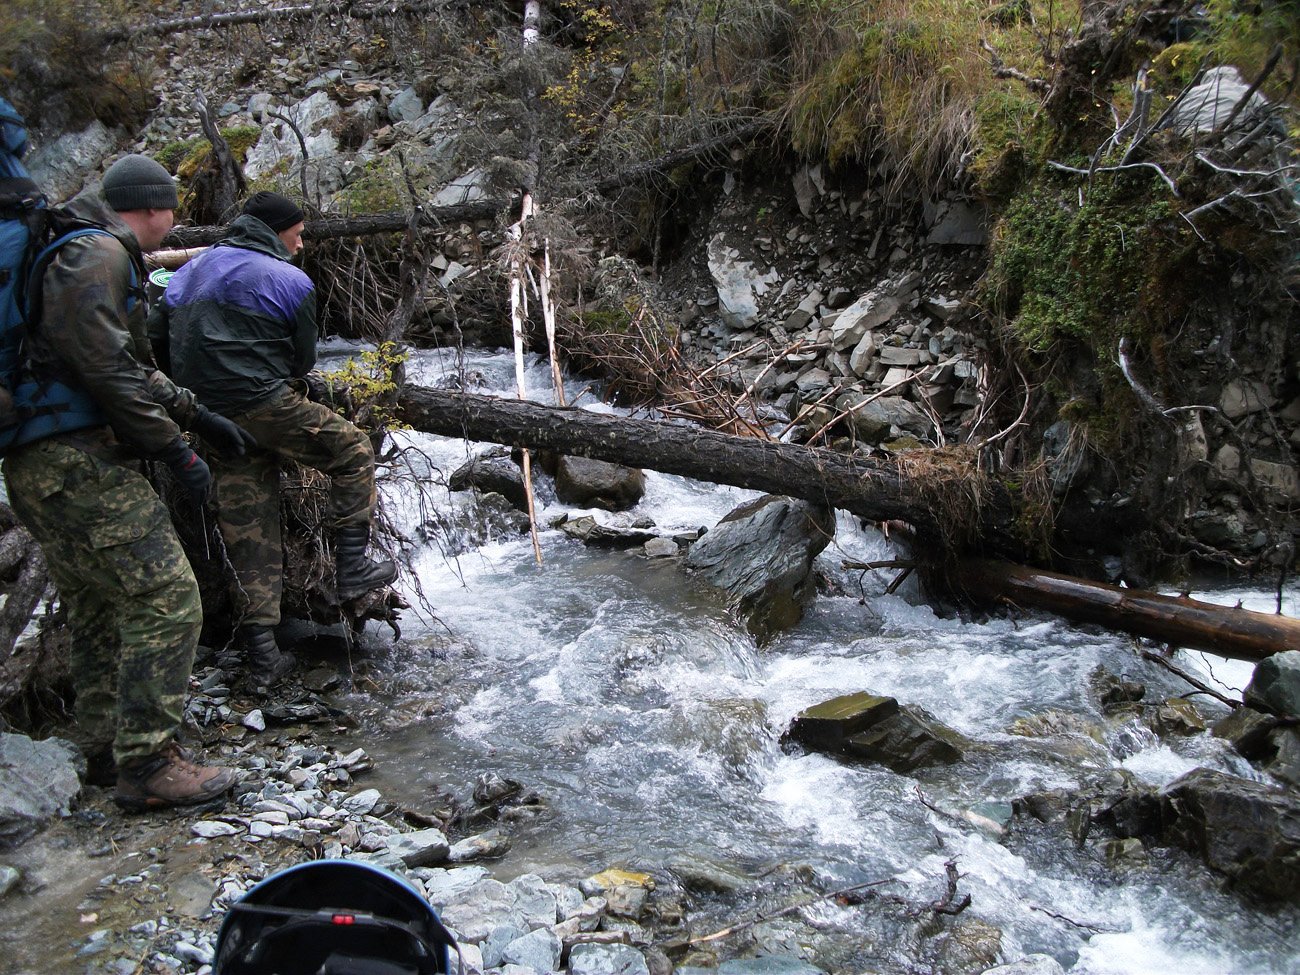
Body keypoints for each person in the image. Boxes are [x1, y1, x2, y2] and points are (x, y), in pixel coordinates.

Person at [2, 154, 254, 810]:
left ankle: (100, 744)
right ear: (151, 207)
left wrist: (200, 416)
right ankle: (146, 762)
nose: (175, 218)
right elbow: (109, 371)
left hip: (36, 462)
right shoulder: (98, 254)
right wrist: (178, 453)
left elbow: (125, 367)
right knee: (168, 594)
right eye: (171, 205)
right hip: (75, 461)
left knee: (97, 600)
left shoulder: (71, 251)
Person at [149, 191, 397, 694]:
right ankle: (352, 566)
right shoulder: (288, 280)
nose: (301, 244)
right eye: (299, 233)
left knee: (248, 522)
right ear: (276, 231)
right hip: (264, 404)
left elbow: (158, 341)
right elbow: (302, 362)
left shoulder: (187, 275)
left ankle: (262, 652)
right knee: (351, 451)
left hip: (207, 417)